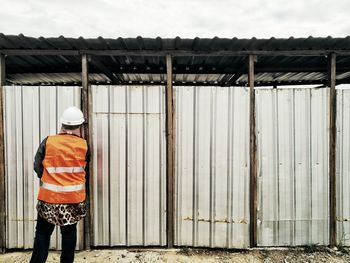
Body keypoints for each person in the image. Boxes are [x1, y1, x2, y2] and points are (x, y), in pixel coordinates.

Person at [30, 106, 90, 263]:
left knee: (42, 234)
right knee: (69, 235)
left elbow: (37, 166)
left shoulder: (48, 141)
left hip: (48, 200)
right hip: (73, 201)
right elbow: (85, 169)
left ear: (62, 124)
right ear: (80, 126)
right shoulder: (83, 145)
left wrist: (50, 180)